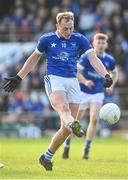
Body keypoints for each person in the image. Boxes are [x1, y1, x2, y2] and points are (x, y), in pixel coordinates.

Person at [2, 12, 113, 171]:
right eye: (65, 28)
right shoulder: (47, 39)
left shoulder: (79, 39)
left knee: (66, 129)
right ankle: (73, 123)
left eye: (71, 28)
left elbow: (93, 58)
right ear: (57, 26)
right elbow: (34, 58)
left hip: (73, 82)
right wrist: (19, 77)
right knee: (63, 109)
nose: (68, 32)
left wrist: (106, 75)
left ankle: (46, 156)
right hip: (54, 79)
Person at [62, 33, 118, 160]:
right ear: (94, 44)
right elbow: (77, 72)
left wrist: (111, 86)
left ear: (106, 45)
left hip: (97, 93)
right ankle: (67, 144)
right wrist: (85, 81)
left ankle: (87, 148)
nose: (101, 45)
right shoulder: (86, 58)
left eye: (103, 43)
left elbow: (115, 73)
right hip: (82, 92)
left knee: (94, 119)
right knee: (75, 122)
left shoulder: (110, 60)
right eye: (98, 42)